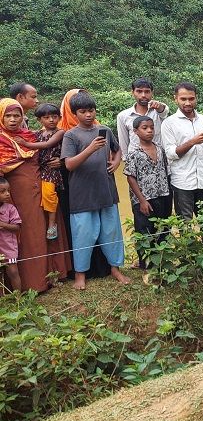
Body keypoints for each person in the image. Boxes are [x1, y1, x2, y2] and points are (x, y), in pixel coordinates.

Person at [60, 91, 130, 290]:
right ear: (75, 114)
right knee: (83, 234)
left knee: (112, 232)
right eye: (83, 111)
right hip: (82, 194)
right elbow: (69, 165)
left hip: (106, 190)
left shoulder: (105, 130)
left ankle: (115, 269)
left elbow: (118, 150)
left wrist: (116, 163)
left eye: (91, 110)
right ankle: (80, 275)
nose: (88, 115)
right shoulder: (70, 135)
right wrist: (90, 149)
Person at [0, 98, 71, 291]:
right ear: (1, 117)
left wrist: (60, 161)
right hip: (15, 198)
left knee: (47, 231)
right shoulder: (1, 140)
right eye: (8, 116)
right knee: (26, 235)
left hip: (43, 189)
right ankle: (31, 283)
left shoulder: (31, 137)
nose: (13, 120)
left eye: (17, 115)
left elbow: (51, 154)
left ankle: (52, 276)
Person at [160, 82, 203, 218]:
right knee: (185, 225)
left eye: (191, 99)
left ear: (196, 98)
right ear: (176, 99)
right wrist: (193, 142)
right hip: (182, 183)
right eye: (183, 99)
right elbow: (170, 153)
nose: (187, 103)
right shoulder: (169, 123)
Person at [124, 116, 172, 269]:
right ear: (136, 131)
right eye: (145, 128)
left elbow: (166, 171)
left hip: (163, 195)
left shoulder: (159, 148)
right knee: (145, 231)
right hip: (144, 199)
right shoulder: (134, 153)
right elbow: (131, 178)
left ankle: (160, 261)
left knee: (164, 228)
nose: (149, 130)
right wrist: (142, 201)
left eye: (151, 127)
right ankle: (145, 264)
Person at [13, 103, 65, 239]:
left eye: (54, 117)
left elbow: (48, 144)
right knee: (39, 196)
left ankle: (52, 224)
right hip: (39, 168)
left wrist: (26, 144)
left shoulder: (59, 132)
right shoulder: (38, 133)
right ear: (39, 120)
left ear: (60, 117)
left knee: (49, 194)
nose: (51, 120)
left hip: (51, 169)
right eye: (47, 117)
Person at [116, 78, 169, 155]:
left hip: (158, 159)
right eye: (139, 91)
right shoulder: (123, 116)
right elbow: (123, 143)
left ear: (152, 93)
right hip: (135, 160)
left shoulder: (158, 112)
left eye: (147, 91)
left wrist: (159, 106)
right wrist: (126, 160)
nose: (143, 95)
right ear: (133, 92)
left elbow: (164, 111)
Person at [0, 177, 21, 291]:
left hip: (8, 248)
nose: (7, 194)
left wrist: (3, 224)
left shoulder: (10, 209)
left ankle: (19, 299)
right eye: (2, 192)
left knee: (13, 271)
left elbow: (17, 227)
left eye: (8, 190)